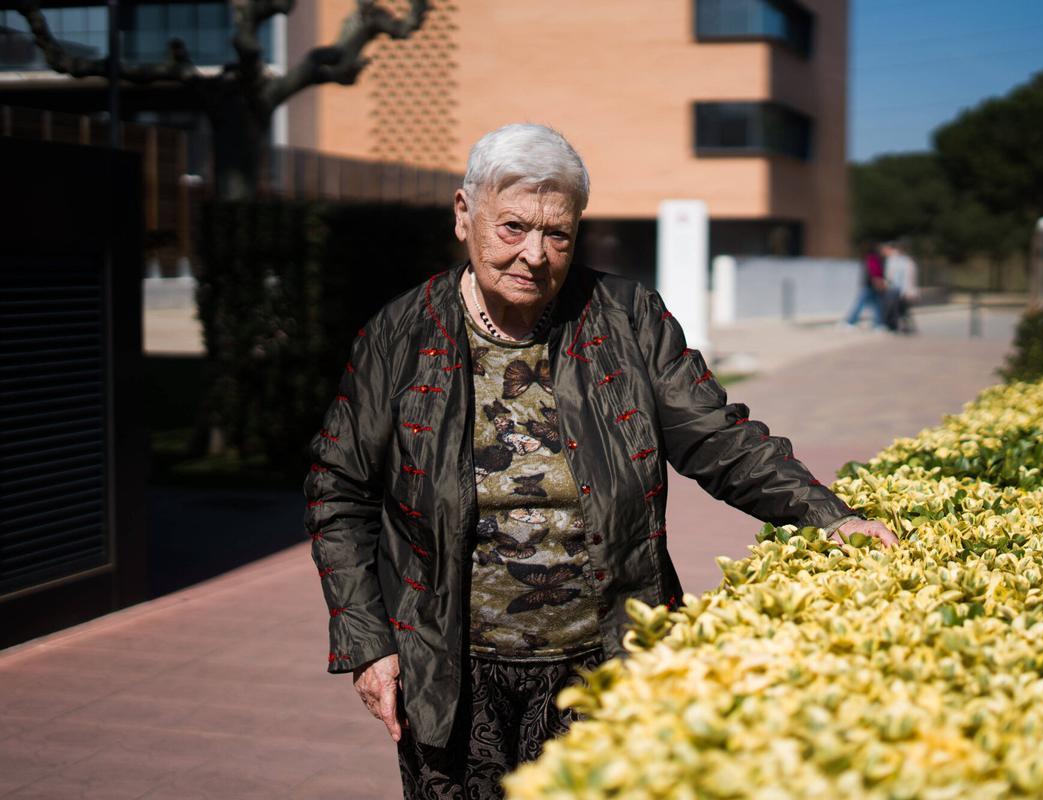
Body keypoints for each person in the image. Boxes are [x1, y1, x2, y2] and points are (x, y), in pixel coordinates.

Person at [304, 123, 898, 799]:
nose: (535, 253)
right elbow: (338, 488)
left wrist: (830, 516)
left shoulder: (627, 317)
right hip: (450, 672)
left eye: (558, 232)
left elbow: (719, 439)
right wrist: (368, 642)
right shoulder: (399, 335)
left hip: (609, 661)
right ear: (464, 215)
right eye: (514, 227)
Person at [844, 242, 887, 329]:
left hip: (872, 285)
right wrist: (879, 283)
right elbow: (874, 272)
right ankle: (850, 322)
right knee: (862, 303)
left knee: (877, 305)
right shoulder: (873, 258)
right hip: (870, 286)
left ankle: (878, 324)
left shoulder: (877, 258)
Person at [882, 241, 919, 334]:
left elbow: (896, 276)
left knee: (897, 310)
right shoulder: (904, 260)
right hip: (899, 289)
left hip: (897, 289)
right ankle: (904, 327)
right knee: (902, 310)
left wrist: (908, 290)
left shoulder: (896, 260)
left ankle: (898, 327)